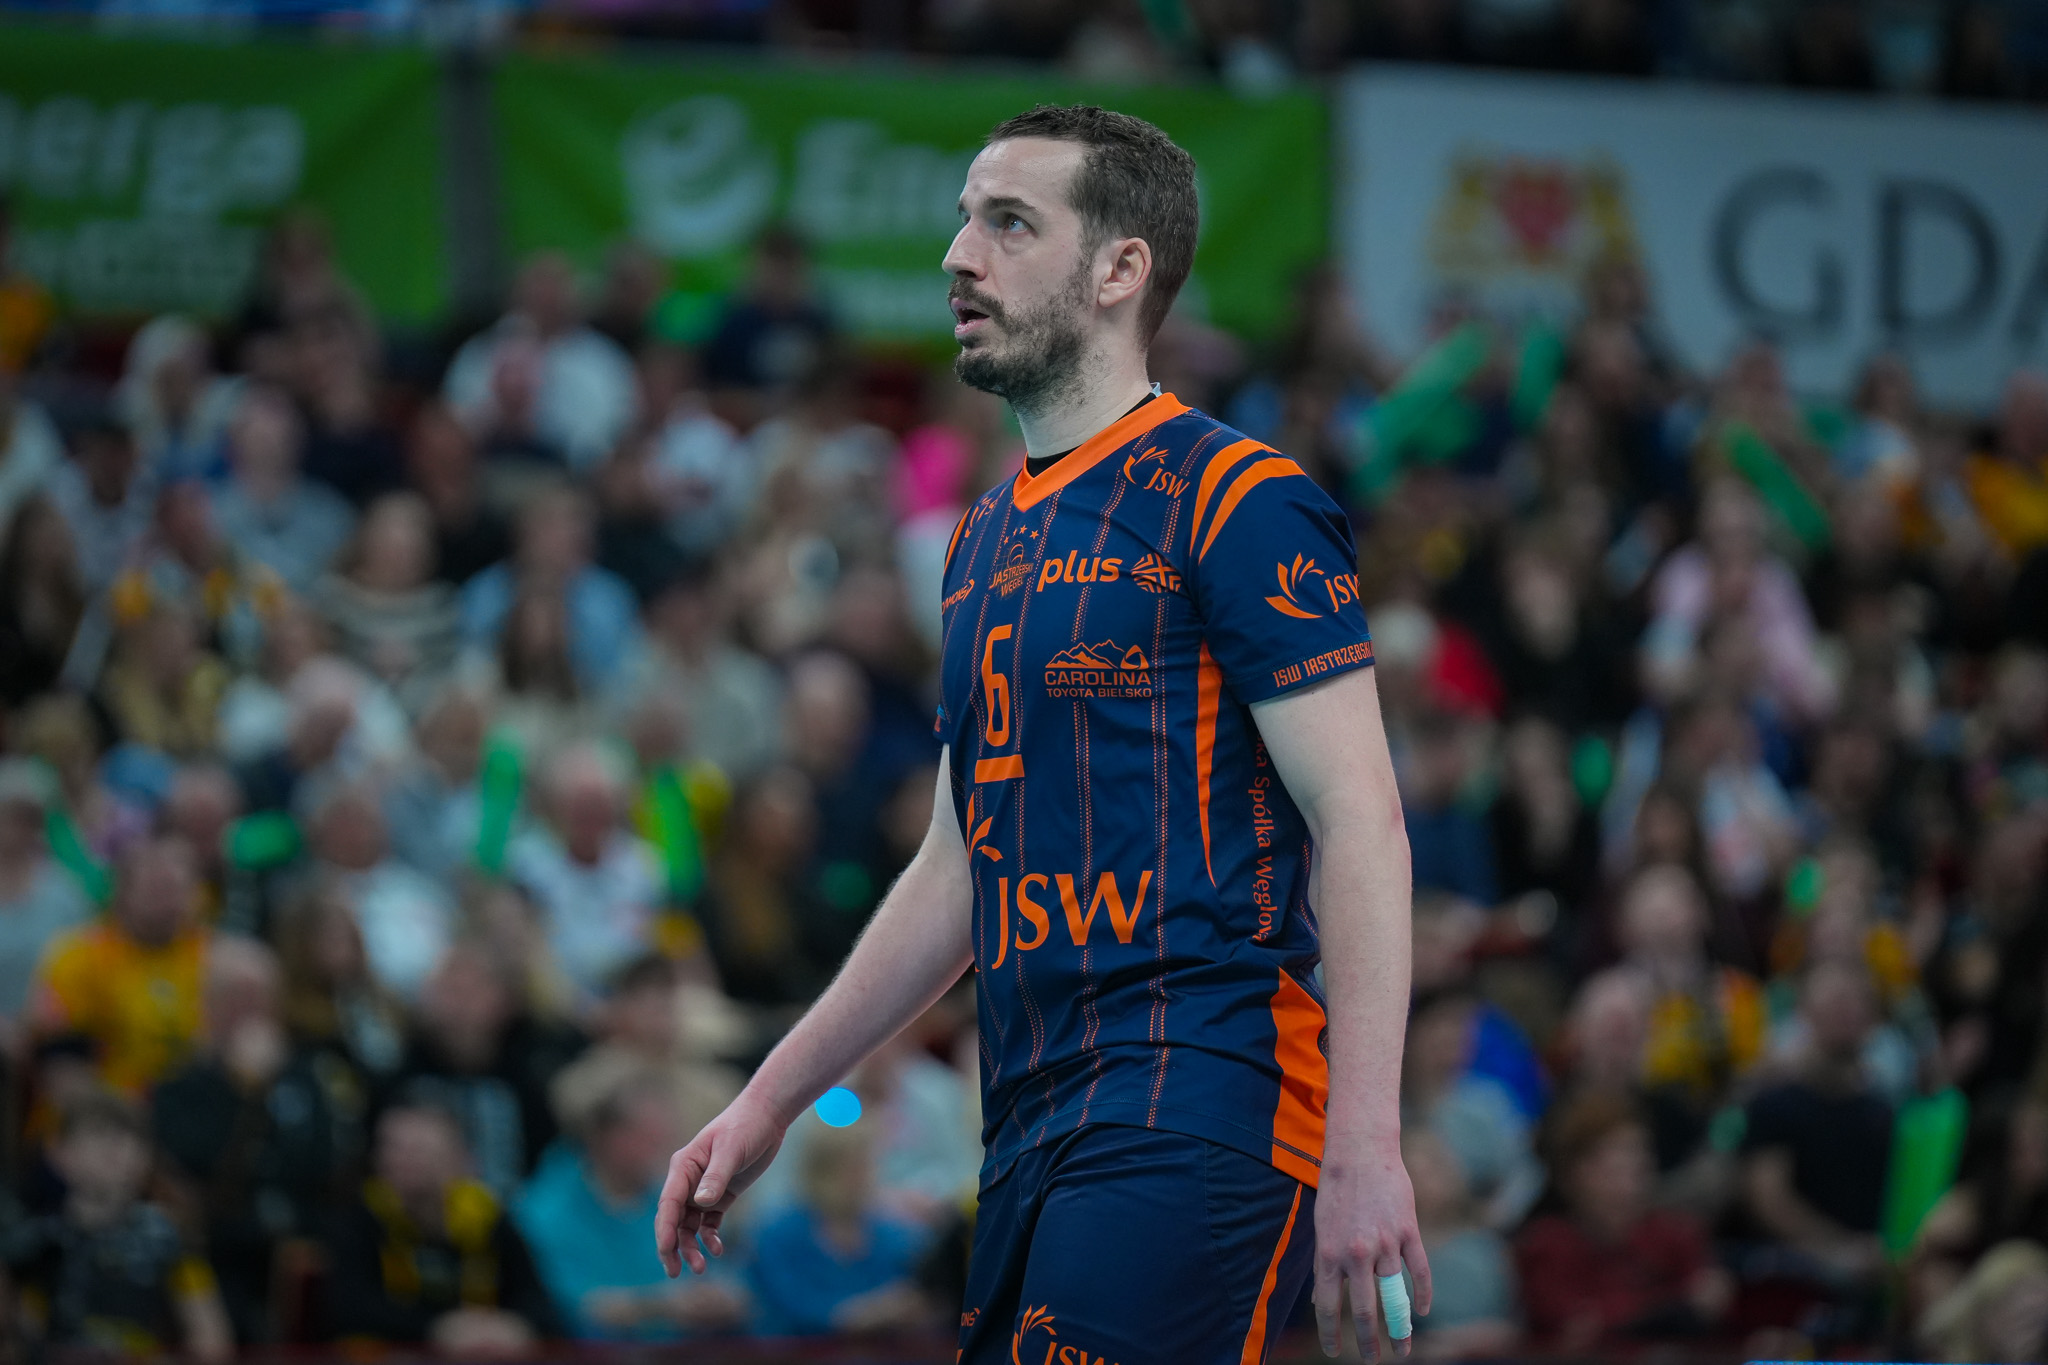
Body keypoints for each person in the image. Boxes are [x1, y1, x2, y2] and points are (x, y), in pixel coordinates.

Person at [659, 106, 1428, 1364]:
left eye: (1008, 224)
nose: (958, 255)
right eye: (964, 219)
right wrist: (767, 1103)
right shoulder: (979, 541)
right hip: (1024, 1122)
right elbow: (956, 867)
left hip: (1197, 1094)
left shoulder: (1239, 498)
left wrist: (1367, 1147)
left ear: (1119, 269)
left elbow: (1361, 822)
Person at [0, 1089, 234, 1362]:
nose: (116, 1148)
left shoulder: (168, 1239)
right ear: (60, 1152)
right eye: (98, 1135)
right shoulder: (31, 1241)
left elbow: (211, 1340)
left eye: (130, 1138)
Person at [516, 1067, 749, 1340]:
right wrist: (661, 1306)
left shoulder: (671, 1198)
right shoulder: (543, 1211)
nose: (663, 1148)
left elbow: (721, 1278)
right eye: (647, 1136)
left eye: (664, 1133)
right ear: (604, 1136)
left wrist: (722, 1299)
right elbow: (567, 1307)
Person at [325, 1094, 561, 1352]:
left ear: (463, 1160)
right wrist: (436, 1328)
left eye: (420, 1150)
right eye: (392, 1147)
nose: (402, 1161)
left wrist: (514, 1326)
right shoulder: (360, 1221)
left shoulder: (488, 1220)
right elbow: (348, 1311)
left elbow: (540, 1307)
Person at [1514, 1090, 1731, 1349]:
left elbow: (1709, 1302)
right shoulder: (1547, 1246)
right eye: (1612, 1162)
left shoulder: (1677, 1234)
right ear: (1572, 1174)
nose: (1629, 1177)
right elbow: (1575, 1329)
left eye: (1637, 1157)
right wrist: (1672, 1308)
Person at [30, 835, 211, 1094]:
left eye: (175, 889)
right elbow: (60, 1060)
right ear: (123, 893)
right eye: (155, 889)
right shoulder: (79, 956)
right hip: (103, 1104)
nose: (167, 902)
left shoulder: (215, 957)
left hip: (191, 1103)